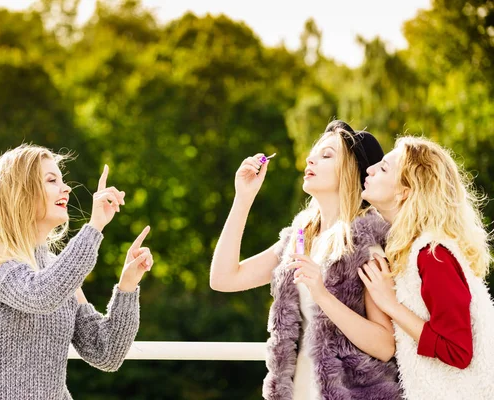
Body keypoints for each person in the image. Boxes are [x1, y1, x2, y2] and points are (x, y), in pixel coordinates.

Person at [210, 121, 401, 399]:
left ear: (350, 171)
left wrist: (321, 294)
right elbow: (224, 279)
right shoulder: (299, 240)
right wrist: (244, 197)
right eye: (314, 153)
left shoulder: (365, 246)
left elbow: (385, 345)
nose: (311, 159)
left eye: (327, 155)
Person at [0, 144, 153, 399]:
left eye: (62, 180)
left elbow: (105, 353)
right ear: (21, 192)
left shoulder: (57, 267)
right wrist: (94, 227)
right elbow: (40, 295)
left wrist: (127, 286)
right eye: (52, 180)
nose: (66, 188)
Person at [360, 136, 494, 400]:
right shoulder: (411, 250)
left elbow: (458, 350)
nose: (370, 169)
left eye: (384, 168)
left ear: (405, 191)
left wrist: (390, 305)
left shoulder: (433, 255)